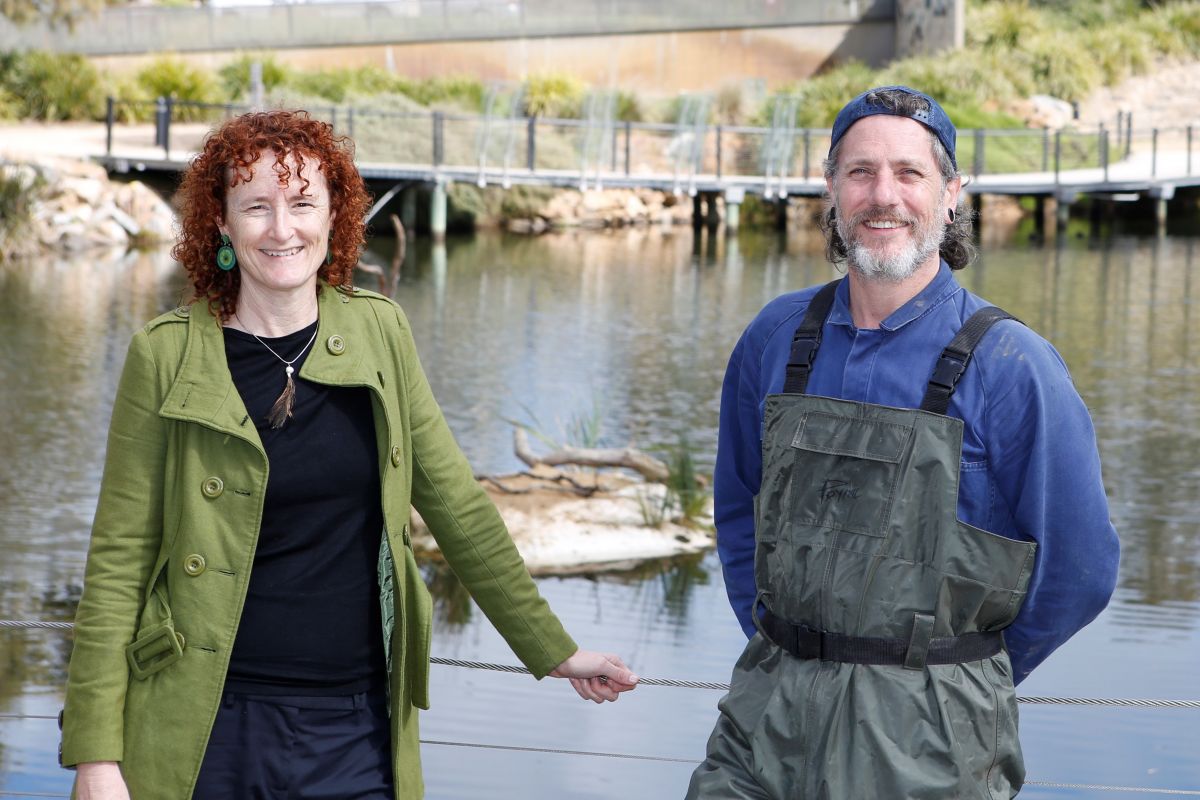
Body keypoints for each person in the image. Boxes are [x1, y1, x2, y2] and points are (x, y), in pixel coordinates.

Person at [59, 109, 638, 800]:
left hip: (358, 730)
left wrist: (554, 651)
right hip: (205, 726)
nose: (282, 229)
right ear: (220, 223)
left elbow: (457, 505)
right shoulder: (165, 353)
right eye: (256, 207)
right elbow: (119, 557)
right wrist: (96, 756)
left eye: (303, 202)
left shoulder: (380, 332)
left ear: (334, 214)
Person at [688, 86, 1119, 799]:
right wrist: (784, 647)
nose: (882, 195)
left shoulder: (1013, 367)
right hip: (761, 734)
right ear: (830, 189)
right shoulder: (775, 338)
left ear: (951, 194)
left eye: (909, 173)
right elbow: (738, 513)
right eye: (859, 172)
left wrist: (958, 684)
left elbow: (1081, 571)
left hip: (931, 750)